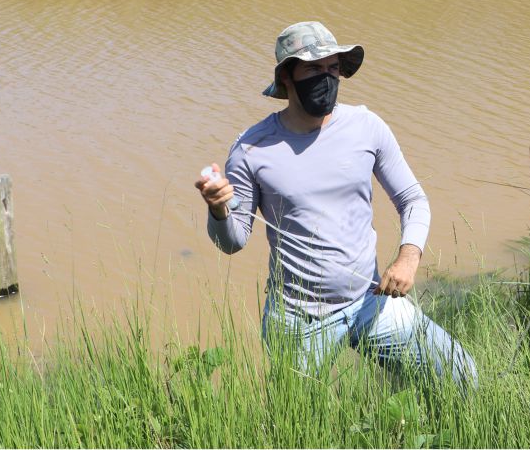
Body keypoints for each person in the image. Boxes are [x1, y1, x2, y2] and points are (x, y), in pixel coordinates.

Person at [196, 21, 476, 390]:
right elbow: (232, 242)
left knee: (459, 375)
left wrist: (408, 257)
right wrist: (218, 209)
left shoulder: (366, 126)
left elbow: (413, 199)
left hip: (369, 302)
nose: (326, 78)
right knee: (299, 426)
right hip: (297, 321)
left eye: (332, 68)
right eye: (313, 69)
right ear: (287, 77)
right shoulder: (252, 148)